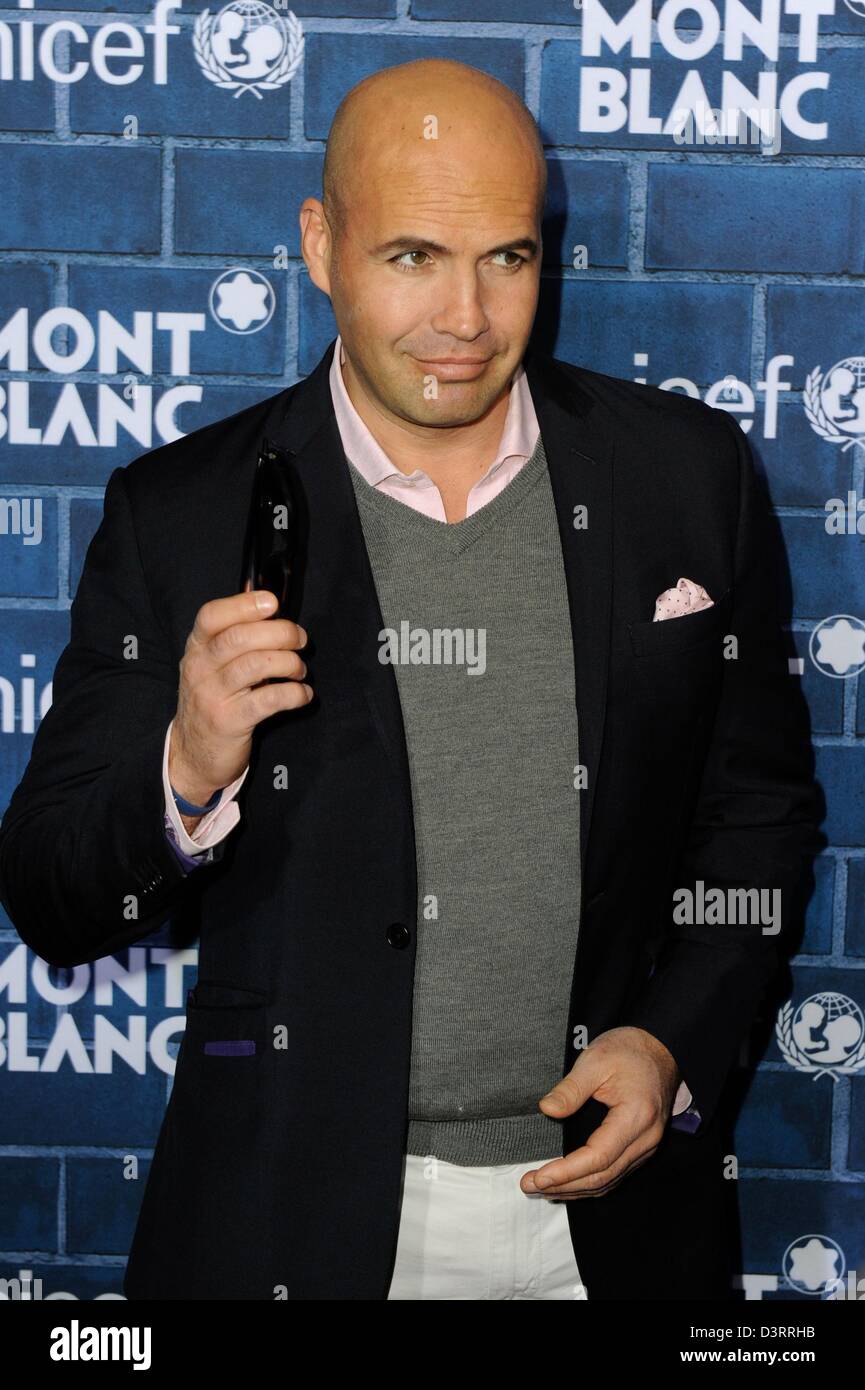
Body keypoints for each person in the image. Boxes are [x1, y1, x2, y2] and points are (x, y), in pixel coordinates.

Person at [0, 58, 818, 1300]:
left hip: (614, 1223)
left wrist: (671, 1041)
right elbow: (57, 899)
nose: (466, 321)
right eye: (412, 258)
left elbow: (754, 818)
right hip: (290, 1221)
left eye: (507, 258)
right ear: (320, 245)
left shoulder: (685, 478)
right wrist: (184, 769)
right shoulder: (178, 514)